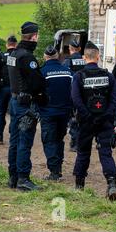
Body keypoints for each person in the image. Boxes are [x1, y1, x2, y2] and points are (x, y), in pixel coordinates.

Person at [71, 41, 116, 201]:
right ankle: (111, 183)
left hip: (86, 121)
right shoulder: (108, 75)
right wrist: (105, 115)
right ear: (98, 57)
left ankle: (79, 185)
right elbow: (115, 99)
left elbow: (76, 99)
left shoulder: (79, 76)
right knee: (105, 152)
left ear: (84, 57)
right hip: (105, 121)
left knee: (83, 152)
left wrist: (88, 115)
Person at [7, 21, 47, 191]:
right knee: (25, 142)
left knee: (14, 140)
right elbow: (37, 82)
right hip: (26, 105)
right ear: (34, 36)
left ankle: (13, 177)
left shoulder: (14, 54)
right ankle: (23, 179)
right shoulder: (27, 57)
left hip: (15, 101)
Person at [39, 45, 73, 181]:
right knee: (59, 140)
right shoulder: (68, 72)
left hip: (48, 112)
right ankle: (58, 168)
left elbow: (37, 93)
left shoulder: (42, 72)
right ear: (58, 56)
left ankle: (54, 172)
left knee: (49, 141)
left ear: (45, 56)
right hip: (64, 112)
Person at [62, 39, 86, 152]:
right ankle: (82, 141)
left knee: (73, 117)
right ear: (80, 49)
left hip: (73, 92)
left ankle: (74, 142)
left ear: (70, 49)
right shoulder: (85, 59)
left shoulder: (68, 61)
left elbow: (65, 77)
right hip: (85, 93)